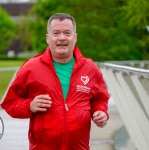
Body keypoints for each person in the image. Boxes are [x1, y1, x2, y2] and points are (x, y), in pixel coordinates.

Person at [1, 13, 110, 150]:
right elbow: (10, 103)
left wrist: (101, 112)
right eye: (56, 33)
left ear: (75, 38)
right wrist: (29, 105)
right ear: (48, 38)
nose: (62, 38)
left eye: (67, 33)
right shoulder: (31, 68)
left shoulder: (90, 69)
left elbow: (100, 98)